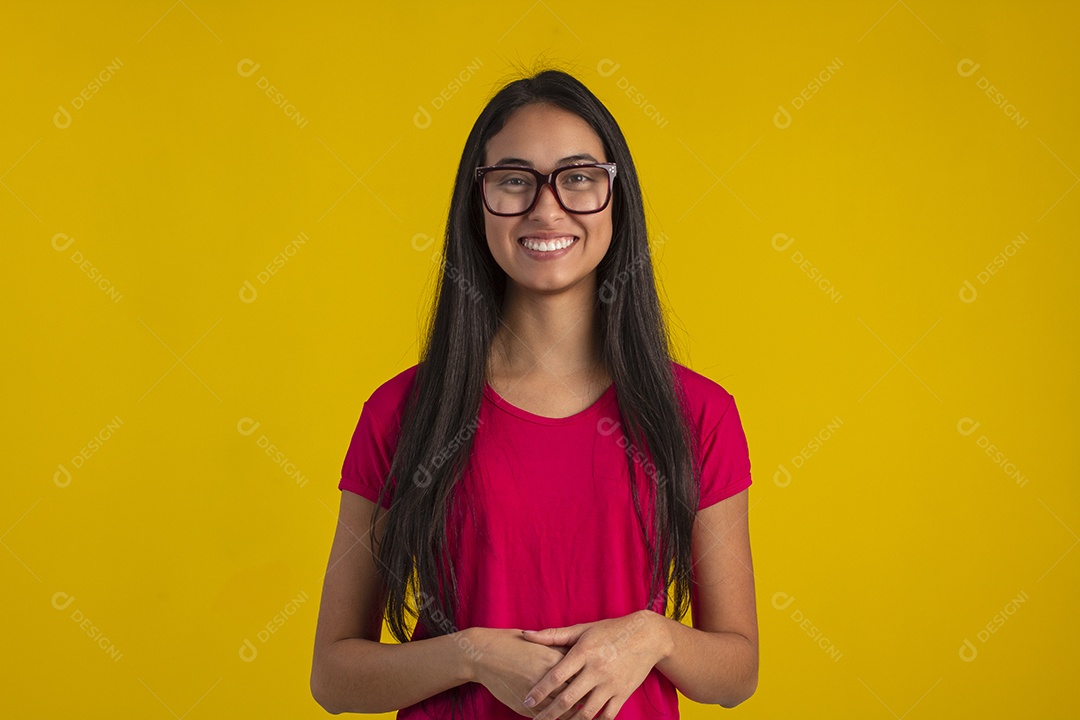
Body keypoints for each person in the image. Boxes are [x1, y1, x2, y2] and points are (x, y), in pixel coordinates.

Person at [310, 67, 758, 719]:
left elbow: (736, 673)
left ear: (616, 196)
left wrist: (654, 636)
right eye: (514, 181)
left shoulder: (698, 414)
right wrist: (468, 655)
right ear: (478, 203)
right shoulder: (401, 414)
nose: (546, 209)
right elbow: (334, 676)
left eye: (578, 178)